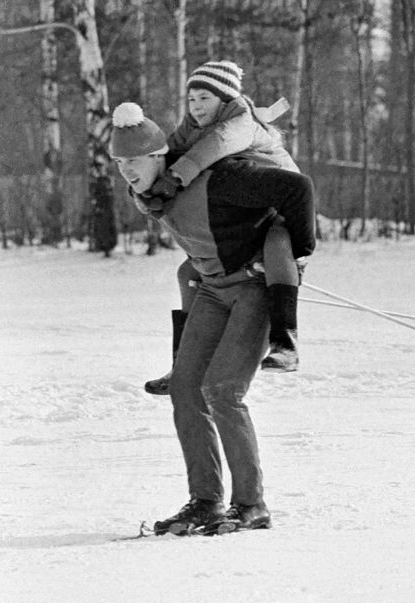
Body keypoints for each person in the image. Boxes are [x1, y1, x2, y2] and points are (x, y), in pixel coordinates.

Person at [110, 102, 315, 535]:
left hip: (254, 289)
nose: (127, 171)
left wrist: (295, 254)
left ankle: (251, 504)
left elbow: (298, 189)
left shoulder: (221, 181)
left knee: (223, 390)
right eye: (120, 162)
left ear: (160, 156)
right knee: (186, 388)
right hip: (212, 288)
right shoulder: (147, 194)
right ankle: (205, 501)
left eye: (136, 160)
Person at [141, 61, 307, 395]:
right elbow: (169, 152)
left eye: (204, 98)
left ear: (225, 98)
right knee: (189, 270)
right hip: (248, 218)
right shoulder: (192, 125)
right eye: (191, 99)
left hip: (284, 211)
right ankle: (181, 366)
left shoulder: (241, 122)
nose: (196, 106)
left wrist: (174, 178)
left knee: (277, 244)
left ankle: (286, 343)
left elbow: (212, 148)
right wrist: (146, 185)